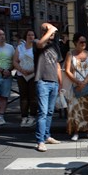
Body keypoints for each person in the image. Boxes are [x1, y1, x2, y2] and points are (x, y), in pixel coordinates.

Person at [34, 23, 63, 152]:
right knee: (43, 112)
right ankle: (40, 141)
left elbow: (57, 65)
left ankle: (46, 136)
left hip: (53, 82)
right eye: (50, 31)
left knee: (50, 112)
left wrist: (60, 82)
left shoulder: (55, 46)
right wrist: (50, 28)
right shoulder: (38, 43)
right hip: (42, 81)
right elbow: (40, 44)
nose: (52, 33)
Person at [64, 33, 88, 140]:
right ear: (75, 43)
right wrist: (77, 81)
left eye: (85, 42)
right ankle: (76, 132)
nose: (83, 44)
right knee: (75, 108)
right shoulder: (70, 54)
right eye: (81, 42)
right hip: (75, 83)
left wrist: (85, 81)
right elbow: (67, 70)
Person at [13, 29, 38, 127]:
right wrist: (22, 70)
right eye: (29, 35)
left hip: (33, 75)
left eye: (32, 35)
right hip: (21, 75)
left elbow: (39, 62)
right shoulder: (20, 47)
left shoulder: (37, 48)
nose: (31, 37)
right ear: (25, 37)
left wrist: (32, 70)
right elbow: (15, 61)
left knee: (33, 97)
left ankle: (32, 117)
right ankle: (24, 117)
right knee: (23, 97)